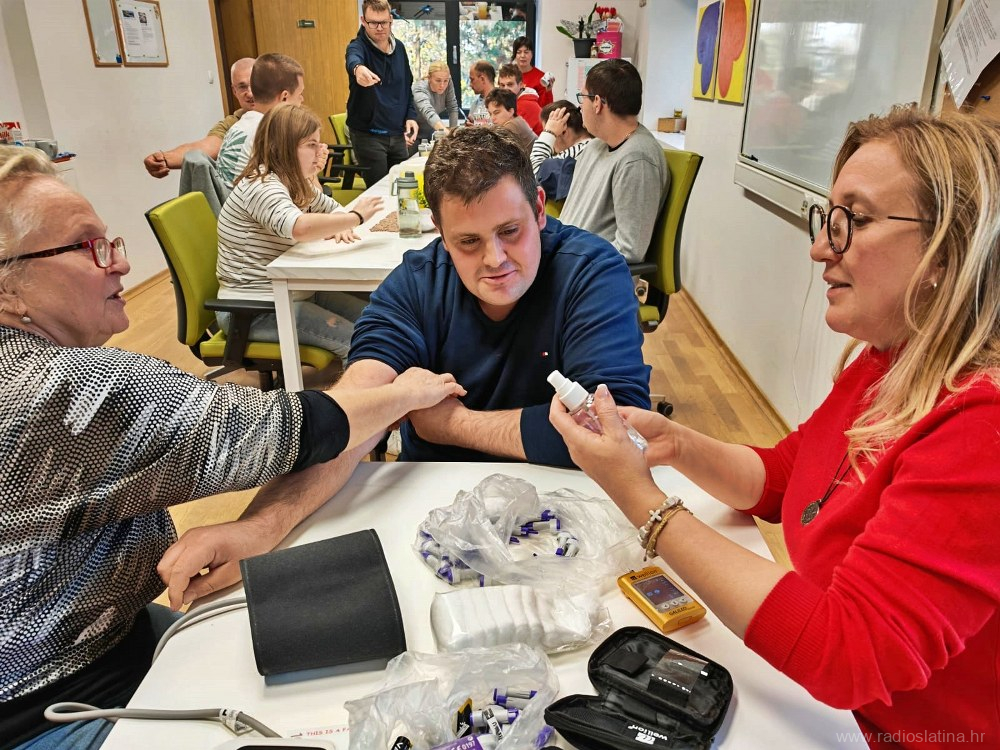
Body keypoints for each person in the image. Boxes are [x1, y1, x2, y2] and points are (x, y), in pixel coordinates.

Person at [549, 106, 1000, 749]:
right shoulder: (891, 359)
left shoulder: (981, 428)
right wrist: (677, 444)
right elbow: (788, 478)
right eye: (828, 219)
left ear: (947, 248)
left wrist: (642, 501)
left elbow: (848, 653)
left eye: (853, 221)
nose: (820, 248)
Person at [0, 145, 463, 748]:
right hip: (53, 701)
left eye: (109, 241)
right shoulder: (59, 392)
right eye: (89, 246)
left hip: (105, 641)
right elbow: (287, 429)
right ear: (9, 287)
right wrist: (406, 393)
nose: (120, 262)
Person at [344, 126, 650, 466]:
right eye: (469, 241)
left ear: (539, 209)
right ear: (441, 232)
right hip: (432, 487)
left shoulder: (591, 272)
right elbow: (352, 408)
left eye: (510, 231)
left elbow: (618, 429)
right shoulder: (417, 283)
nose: (495, 258)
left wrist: (453, 425)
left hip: (559, 490)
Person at [216, 105, 383, 362]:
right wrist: (354, 218)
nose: (321, 151)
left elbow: (332, 210)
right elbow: (299, 227)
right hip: (253, 310)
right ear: (282, 147)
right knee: (362, 346)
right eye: (311, 145)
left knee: (380, 322)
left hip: (292, 292)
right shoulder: (262, 185)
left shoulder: (294, 181)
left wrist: (340, 220)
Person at [560, 59, 668, 263]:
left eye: (582, 97)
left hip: (589, 271)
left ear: (597, 103)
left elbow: (630, 249)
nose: (580, 107)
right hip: (566, 256)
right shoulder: (594, 146)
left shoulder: (637, 160)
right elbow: (571, 219)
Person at [142, 57, 256, 178]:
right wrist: (163, 159)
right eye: (242, 87)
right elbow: (204, 148)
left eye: (255, 85)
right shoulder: (232, 123)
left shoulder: (272, 117)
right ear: (234, 91)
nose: (250, 93)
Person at [345, 0, 419, 184]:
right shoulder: (357, 46)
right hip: (368, 135)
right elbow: (353, 59)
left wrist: (410, 115)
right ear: (363, 21)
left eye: (384, 22)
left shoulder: (399, 48)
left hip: (397, 134)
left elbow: (406, 87)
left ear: (391, 20)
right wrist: (358, 69)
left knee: (403, 186)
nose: (379, 28)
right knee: (380, 189)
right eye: (373, 23)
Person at [216, 53, 306, 187]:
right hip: (252, 199)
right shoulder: (271, 131)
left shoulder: (239, 125)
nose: (302, 100)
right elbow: (301, 191)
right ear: (284, 97)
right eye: (300, 94)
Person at [530, 100, 592, 202]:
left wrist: (549, 133)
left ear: (563, 131)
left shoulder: (573, 156)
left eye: (553, 133)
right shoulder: (591, 146)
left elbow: (535, 175)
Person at [412, 61, 460, 146]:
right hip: (412, 135)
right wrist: (447, 134)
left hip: (430, 134)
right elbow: (429, 113)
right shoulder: (419, 89)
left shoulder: (448, 83)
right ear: (429, 78)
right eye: (438, 81)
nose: (442, 85)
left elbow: (452, 107)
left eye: (445, 81)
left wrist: (453, 133)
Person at [484, 88, 536, 155]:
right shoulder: (517, 120)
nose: (492, 118)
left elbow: (494, 152)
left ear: (511, 111)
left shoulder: (511, 125)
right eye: (490, 114)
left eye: (496, 113)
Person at [497, 63, 542, 135]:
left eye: (510, 84)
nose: (505, 89)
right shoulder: (515, 101)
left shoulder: (525, 105)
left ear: (521, 85)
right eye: (502, 85)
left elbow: (508, 136)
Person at [511, 36, 553, 109]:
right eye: (519, 52)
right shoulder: (508, 74)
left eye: (526, 52)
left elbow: (546, 108)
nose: (522, 56)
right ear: (515, 55)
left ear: (532, 54)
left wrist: (548, 91)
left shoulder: (541, 77)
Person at [467, 59, 496, 126]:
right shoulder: (474, 105)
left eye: (472, 80)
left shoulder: (501, 103)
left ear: (482, 79)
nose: (470, 85)